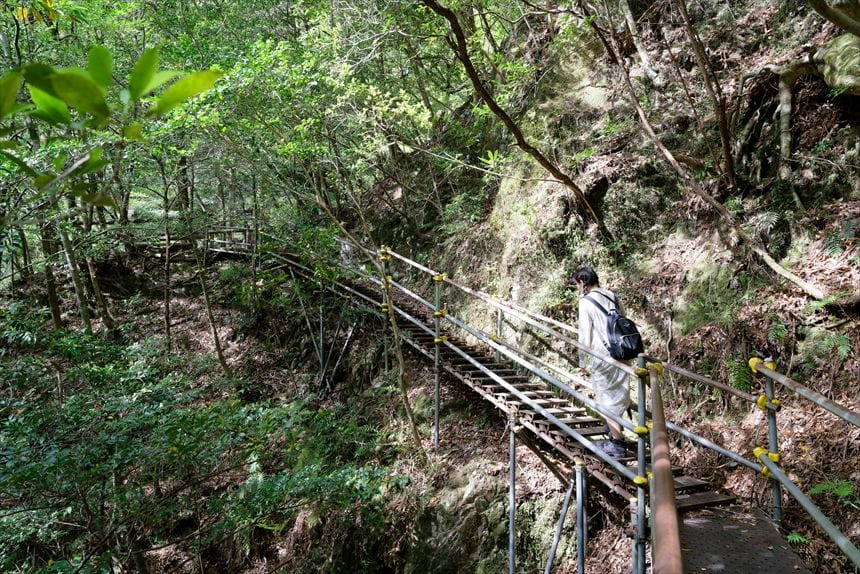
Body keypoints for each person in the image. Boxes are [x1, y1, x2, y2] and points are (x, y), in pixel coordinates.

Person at [573, 266, 632, 458]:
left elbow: (585, 335)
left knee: (606, 397)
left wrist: (582, 361)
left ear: (582, 283)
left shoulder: (585, 301)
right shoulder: (612, 296)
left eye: (577, 285)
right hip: (624, 352)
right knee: (619, 393)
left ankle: (617, 443)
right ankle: (615, 431)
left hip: (603, 356)